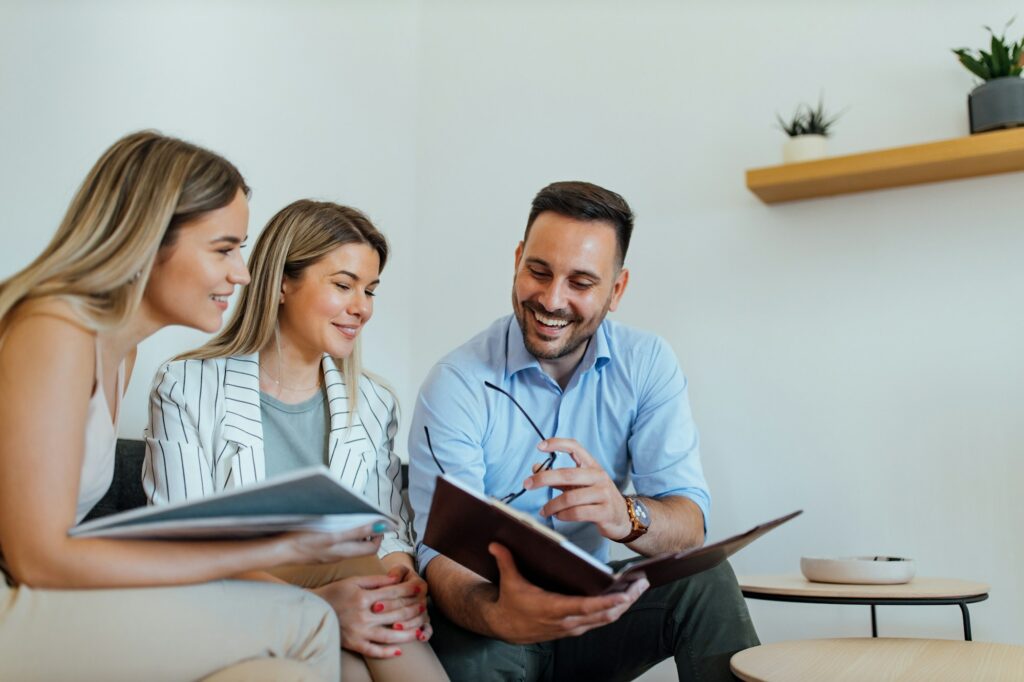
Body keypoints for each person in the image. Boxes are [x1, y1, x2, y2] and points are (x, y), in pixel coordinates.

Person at [0, 131, 389, 681]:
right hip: (14, 600)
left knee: (280, 674)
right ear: (151, 238)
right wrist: (273, 546)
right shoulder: (55, 329)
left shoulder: (118, 352)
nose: (243, 273)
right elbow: (37, 558)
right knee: (309, 622)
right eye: (225, 249)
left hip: (41, 593)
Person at [407, 181, 759, 681]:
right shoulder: (457, 383)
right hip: (489, 611)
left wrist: (625, 515)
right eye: (539, 271)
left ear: (616, 290)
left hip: (591, 612)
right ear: (516, 261)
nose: (552, 299)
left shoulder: (646, 364)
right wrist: (499, 615)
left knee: (705, 576)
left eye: (580, 282)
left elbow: (689, 525)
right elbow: (441, 553)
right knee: (476, 646)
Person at [143, 199, 448, 682]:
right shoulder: (186, 386)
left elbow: (386, 528)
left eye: (369, 290)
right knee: (355, 582)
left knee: (366, 588)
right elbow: (187, 543)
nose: (362, 307)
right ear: (283, 282)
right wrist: (318, 605)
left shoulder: (374, 402)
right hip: (230, 602)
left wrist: (401, 572)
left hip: (350, 594)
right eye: (344, 285)